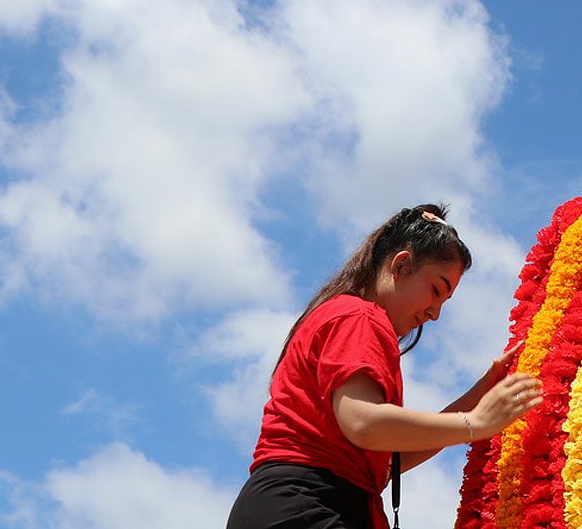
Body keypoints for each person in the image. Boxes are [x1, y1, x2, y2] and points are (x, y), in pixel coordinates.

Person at [227, 204, 543, 529]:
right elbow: (363, 423)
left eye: (444, 302)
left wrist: (478, 396)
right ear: (402, 265)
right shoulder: (360, 316)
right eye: (435, 290)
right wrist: (475, 422)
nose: (435, 313)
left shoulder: (346, 314)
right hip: (305, 507)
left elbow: (388, 460)